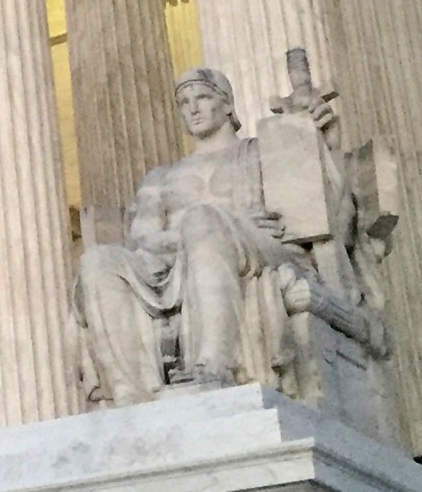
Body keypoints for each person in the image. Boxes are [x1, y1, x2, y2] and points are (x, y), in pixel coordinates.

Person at [74, 68, 303, 404]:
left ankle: (214, 365)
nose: (192, 108)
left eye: (203, 98)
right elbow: (143, 238)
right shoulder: (162, 177)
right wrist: (191, 237)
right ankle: (129, 391)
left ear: (228, 105)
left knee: (203, 221)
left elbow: (318, 208)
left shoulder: (261, 153)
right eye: (184, 102)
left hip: (258, 249)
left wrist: (323, 136)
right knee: (98, 261)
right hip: (175, 259)